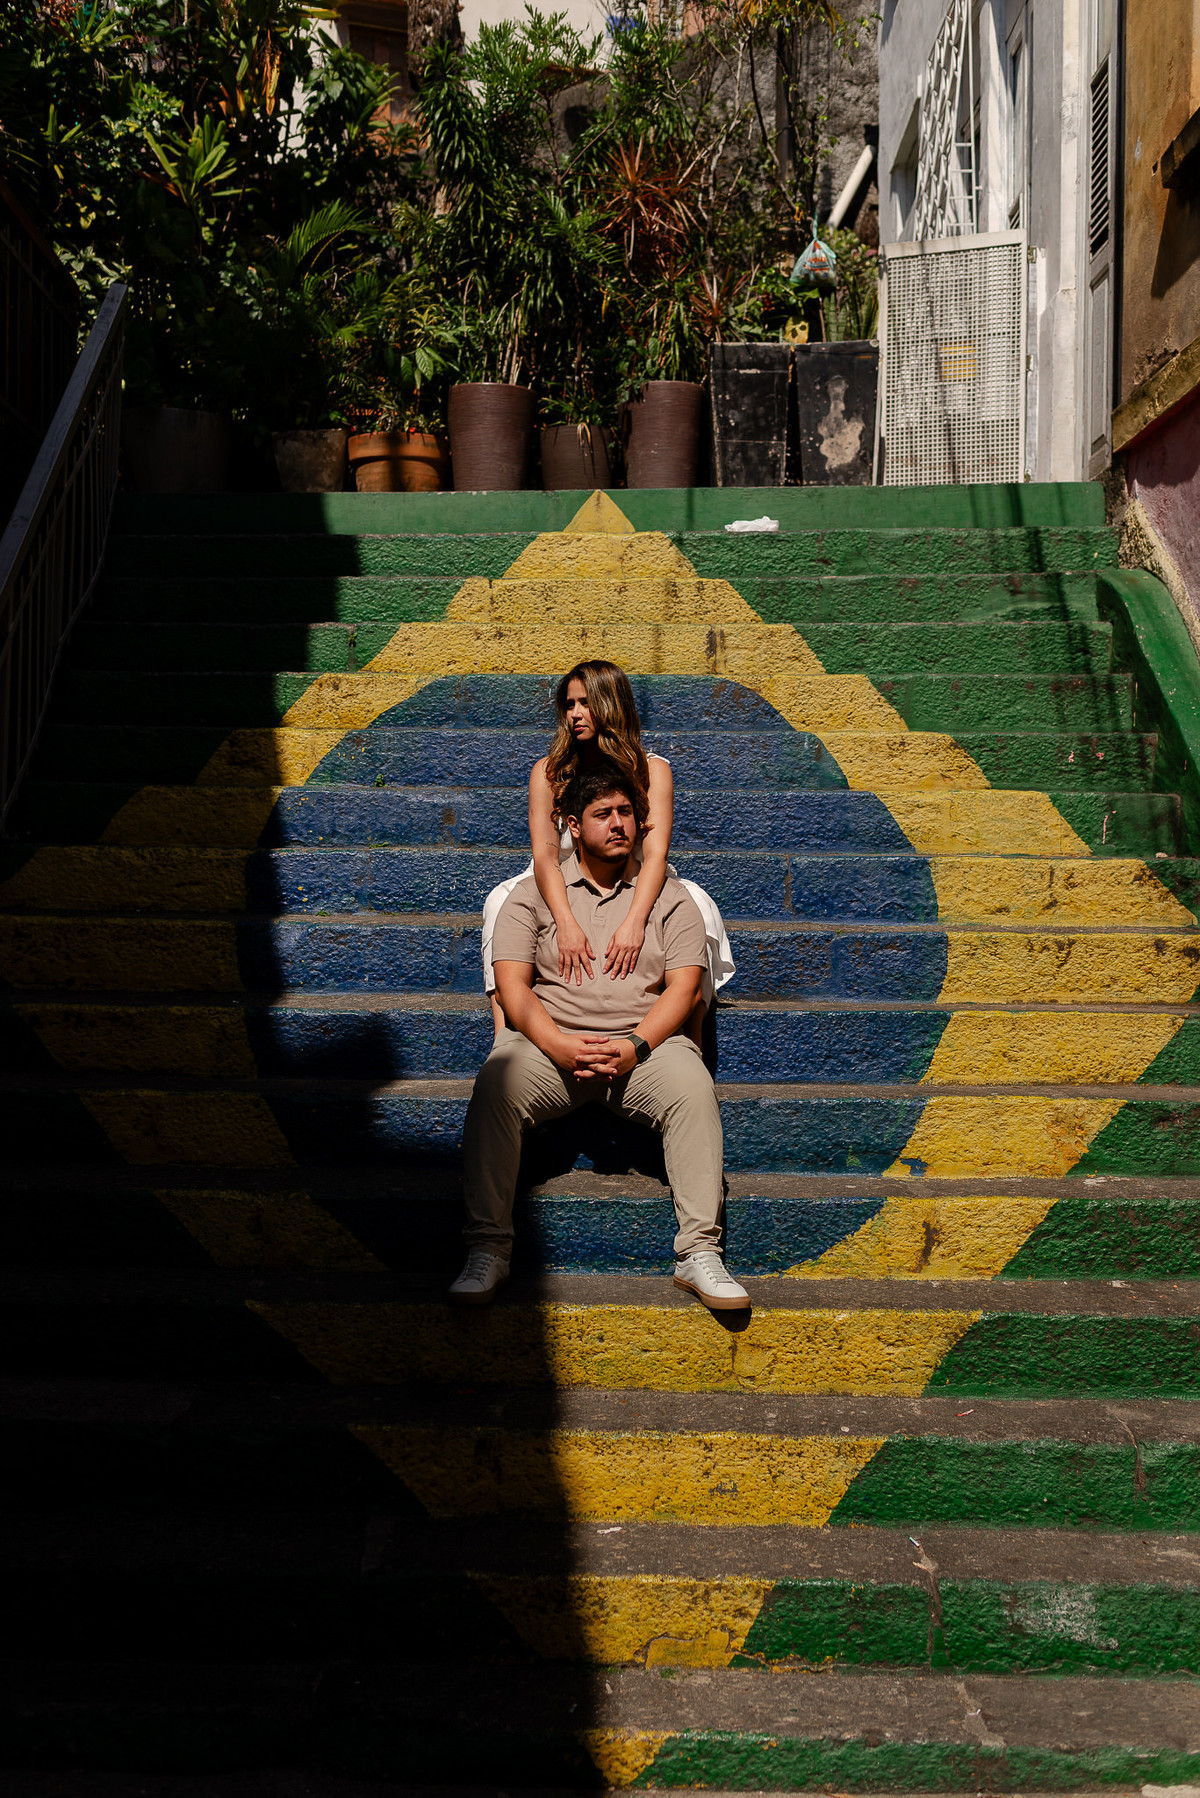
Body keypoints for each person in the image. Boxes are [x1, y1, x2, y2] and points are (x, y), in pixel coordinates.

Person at [451, 764, 750, 1312]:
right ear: (572, 824)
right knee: (496, 1083)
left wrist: (636, 1045)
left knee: (692, 1087)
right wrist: (556, 1044)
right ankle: (488, 1249)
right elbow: (513, 988)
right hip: (549, 1049)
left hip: (643, 1052)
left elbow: (684, 987)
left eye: (626, 813)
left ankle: (699, 1254)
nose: (618, 824)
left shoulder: (671, 898)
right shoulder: (532, 895)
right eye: (603, 814)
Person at [481, 659, 733, 1043]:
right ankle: (504, 1036)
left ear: (610, 705)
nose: (575, 714)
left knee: (697, 903)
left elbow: (655, 856)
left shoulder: (652, 770)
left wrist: (634, 922)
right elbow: (545, 857)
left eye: (585, 703)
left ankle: (691, 1039)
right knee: (500, 901)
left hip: (635, 876)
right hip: (564, 879)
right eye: (569, 704)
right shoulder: (548, 772)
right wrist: (565, 922)